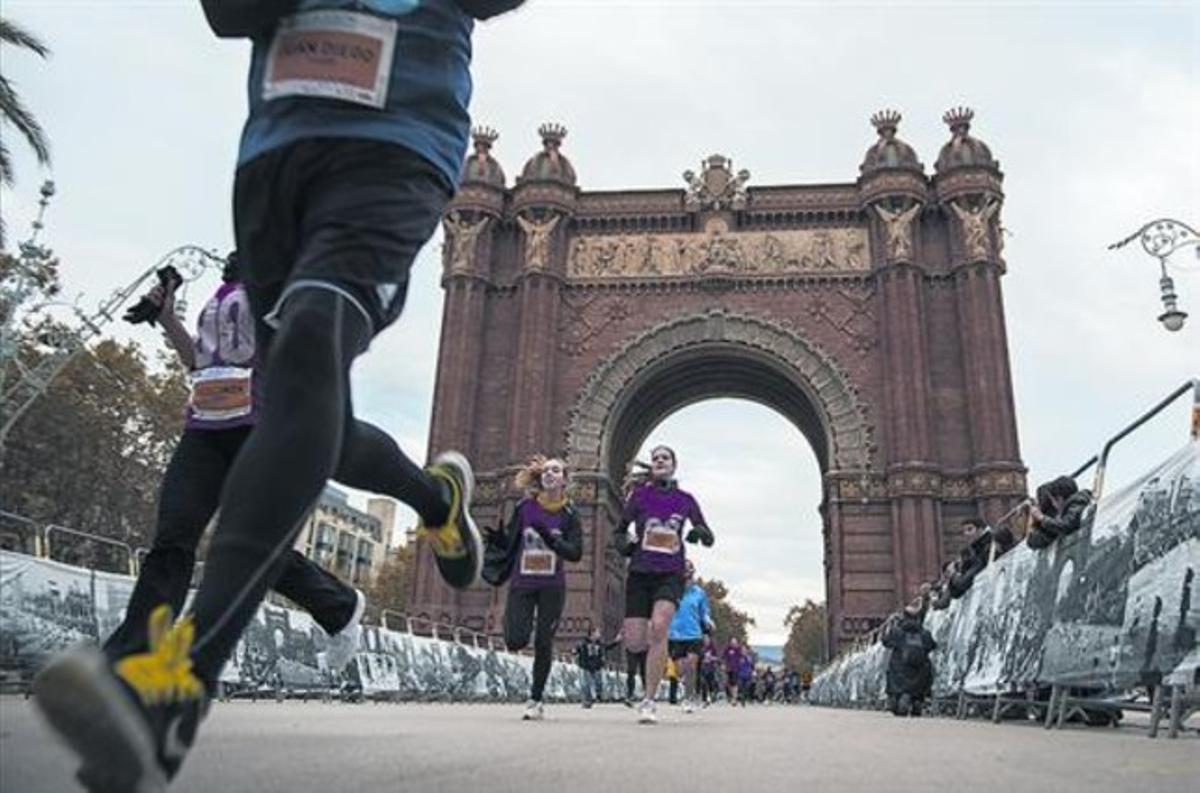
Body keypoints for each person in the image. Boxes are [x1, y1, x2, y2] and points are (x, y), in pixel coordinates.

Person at [32, 3, 526, 790]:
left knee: (306, 353)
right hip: (275, 159)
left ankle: (176, 684)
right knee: (303, 399)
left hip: (396, 149)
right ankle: (432, 495)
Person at [101, 255, 365, 680]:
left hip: (258, 431)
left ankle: (338, 604)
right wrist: (167, 318)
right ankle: (130, 653)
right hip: (203, 431)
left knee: (249, 549)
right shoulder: (221, 293)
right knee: (172, 538)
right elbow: (199, 363)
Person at [615, 445, 714, 724]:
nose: (660, 461)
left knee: (659, 627)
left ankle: (649, 700)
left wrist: (699, 532)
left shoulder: (686, 500)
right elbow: (619, 531)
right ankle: (651, 662)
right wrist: (625, 545)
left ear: (674, 465)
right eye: (656, 458)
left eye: (665, 458)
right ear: (653, 465)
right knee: (635, 641)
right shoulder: (638, 496)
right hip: (639, 572)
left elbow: (708, 534)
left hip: (670, 574)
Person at [483, 456, 582, 720]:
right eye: (546, 470)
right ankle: (515, 629)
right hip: (522, 583)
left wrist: (550, 539)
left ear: (564, 478)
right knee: (516, 639)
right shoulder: (524, 507)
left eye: (556, 470)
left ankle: (535, 699)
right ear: (540, 477)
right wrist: (496, 541)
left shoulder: (570, 514)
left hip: (552, 586)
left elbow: (575, 553)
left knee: (543, 642)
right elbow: (512, 541)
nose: (550, 473)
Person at [667, 559, 712, 714]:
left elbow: (704, 612)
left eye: (689, 570)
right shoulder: (671, 589)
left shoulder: (699, 593)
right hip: (675, 634)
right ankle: (686, 686)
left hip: (694, 633)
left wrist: (707, 625)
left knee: (691, 666)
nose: (686, 574)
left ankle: (688, 698)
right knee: (680, 670)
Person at [881, 605, 937, 717]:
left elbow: (885, 642)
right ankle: (918, 702)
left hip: (899, 671)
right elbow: (932, 646)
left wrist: (889, 626)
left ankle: (896, 702)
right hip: (919, 671)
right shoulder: (924, 633)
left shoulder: (897, 631)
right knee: (920, 687)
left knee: (893, 678)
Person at [1028, 476, 1094, 550]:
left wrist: (1042, 518)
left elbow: (1066, 526)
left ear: (1059, 498)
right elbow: (1035, 541)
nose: (1053, 504)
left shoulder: (1078, 502)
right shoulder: (1074, 506)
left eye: (1053, 501)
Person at [574, 627, 621, 709]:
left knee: (599, 682)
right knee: (586, 684)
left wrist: (616, 641)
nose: (599, 635)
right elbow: (577, 649)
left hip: (597, 666)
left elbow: (607, 647)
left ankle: (598, 695)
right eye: (597, 633)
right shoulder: (583, 643)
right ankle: (587, 700)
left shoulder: (599, 644)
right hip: (586, 666)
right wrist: (575, 651)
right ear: (592, 634)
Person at [723, 637, 744, 704]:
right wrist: (723, 664)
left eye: (734, 642)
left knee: (734, 683)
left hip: (736, 669)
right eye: (732, 642)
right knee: (729, 683)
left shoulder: (738, 649)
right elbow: (724, 657)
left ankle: (734, 698)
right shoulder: (727, 649)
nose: (733, 644)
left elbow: (742, 657)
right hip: (729, 669)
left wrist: (741, 662)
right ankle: (732, 696)